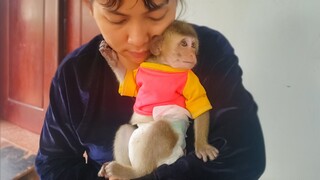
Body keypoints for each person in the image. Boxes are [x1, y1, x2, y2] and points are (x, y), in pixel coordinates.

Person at [35, 0, 266, 179]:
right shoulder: (75, 74)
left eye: (156, 14)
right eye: (117, 19)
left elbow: (244, 155)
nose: (138, 39)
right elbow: (54, 163)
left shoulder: (204, 53)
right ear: (90, 6)